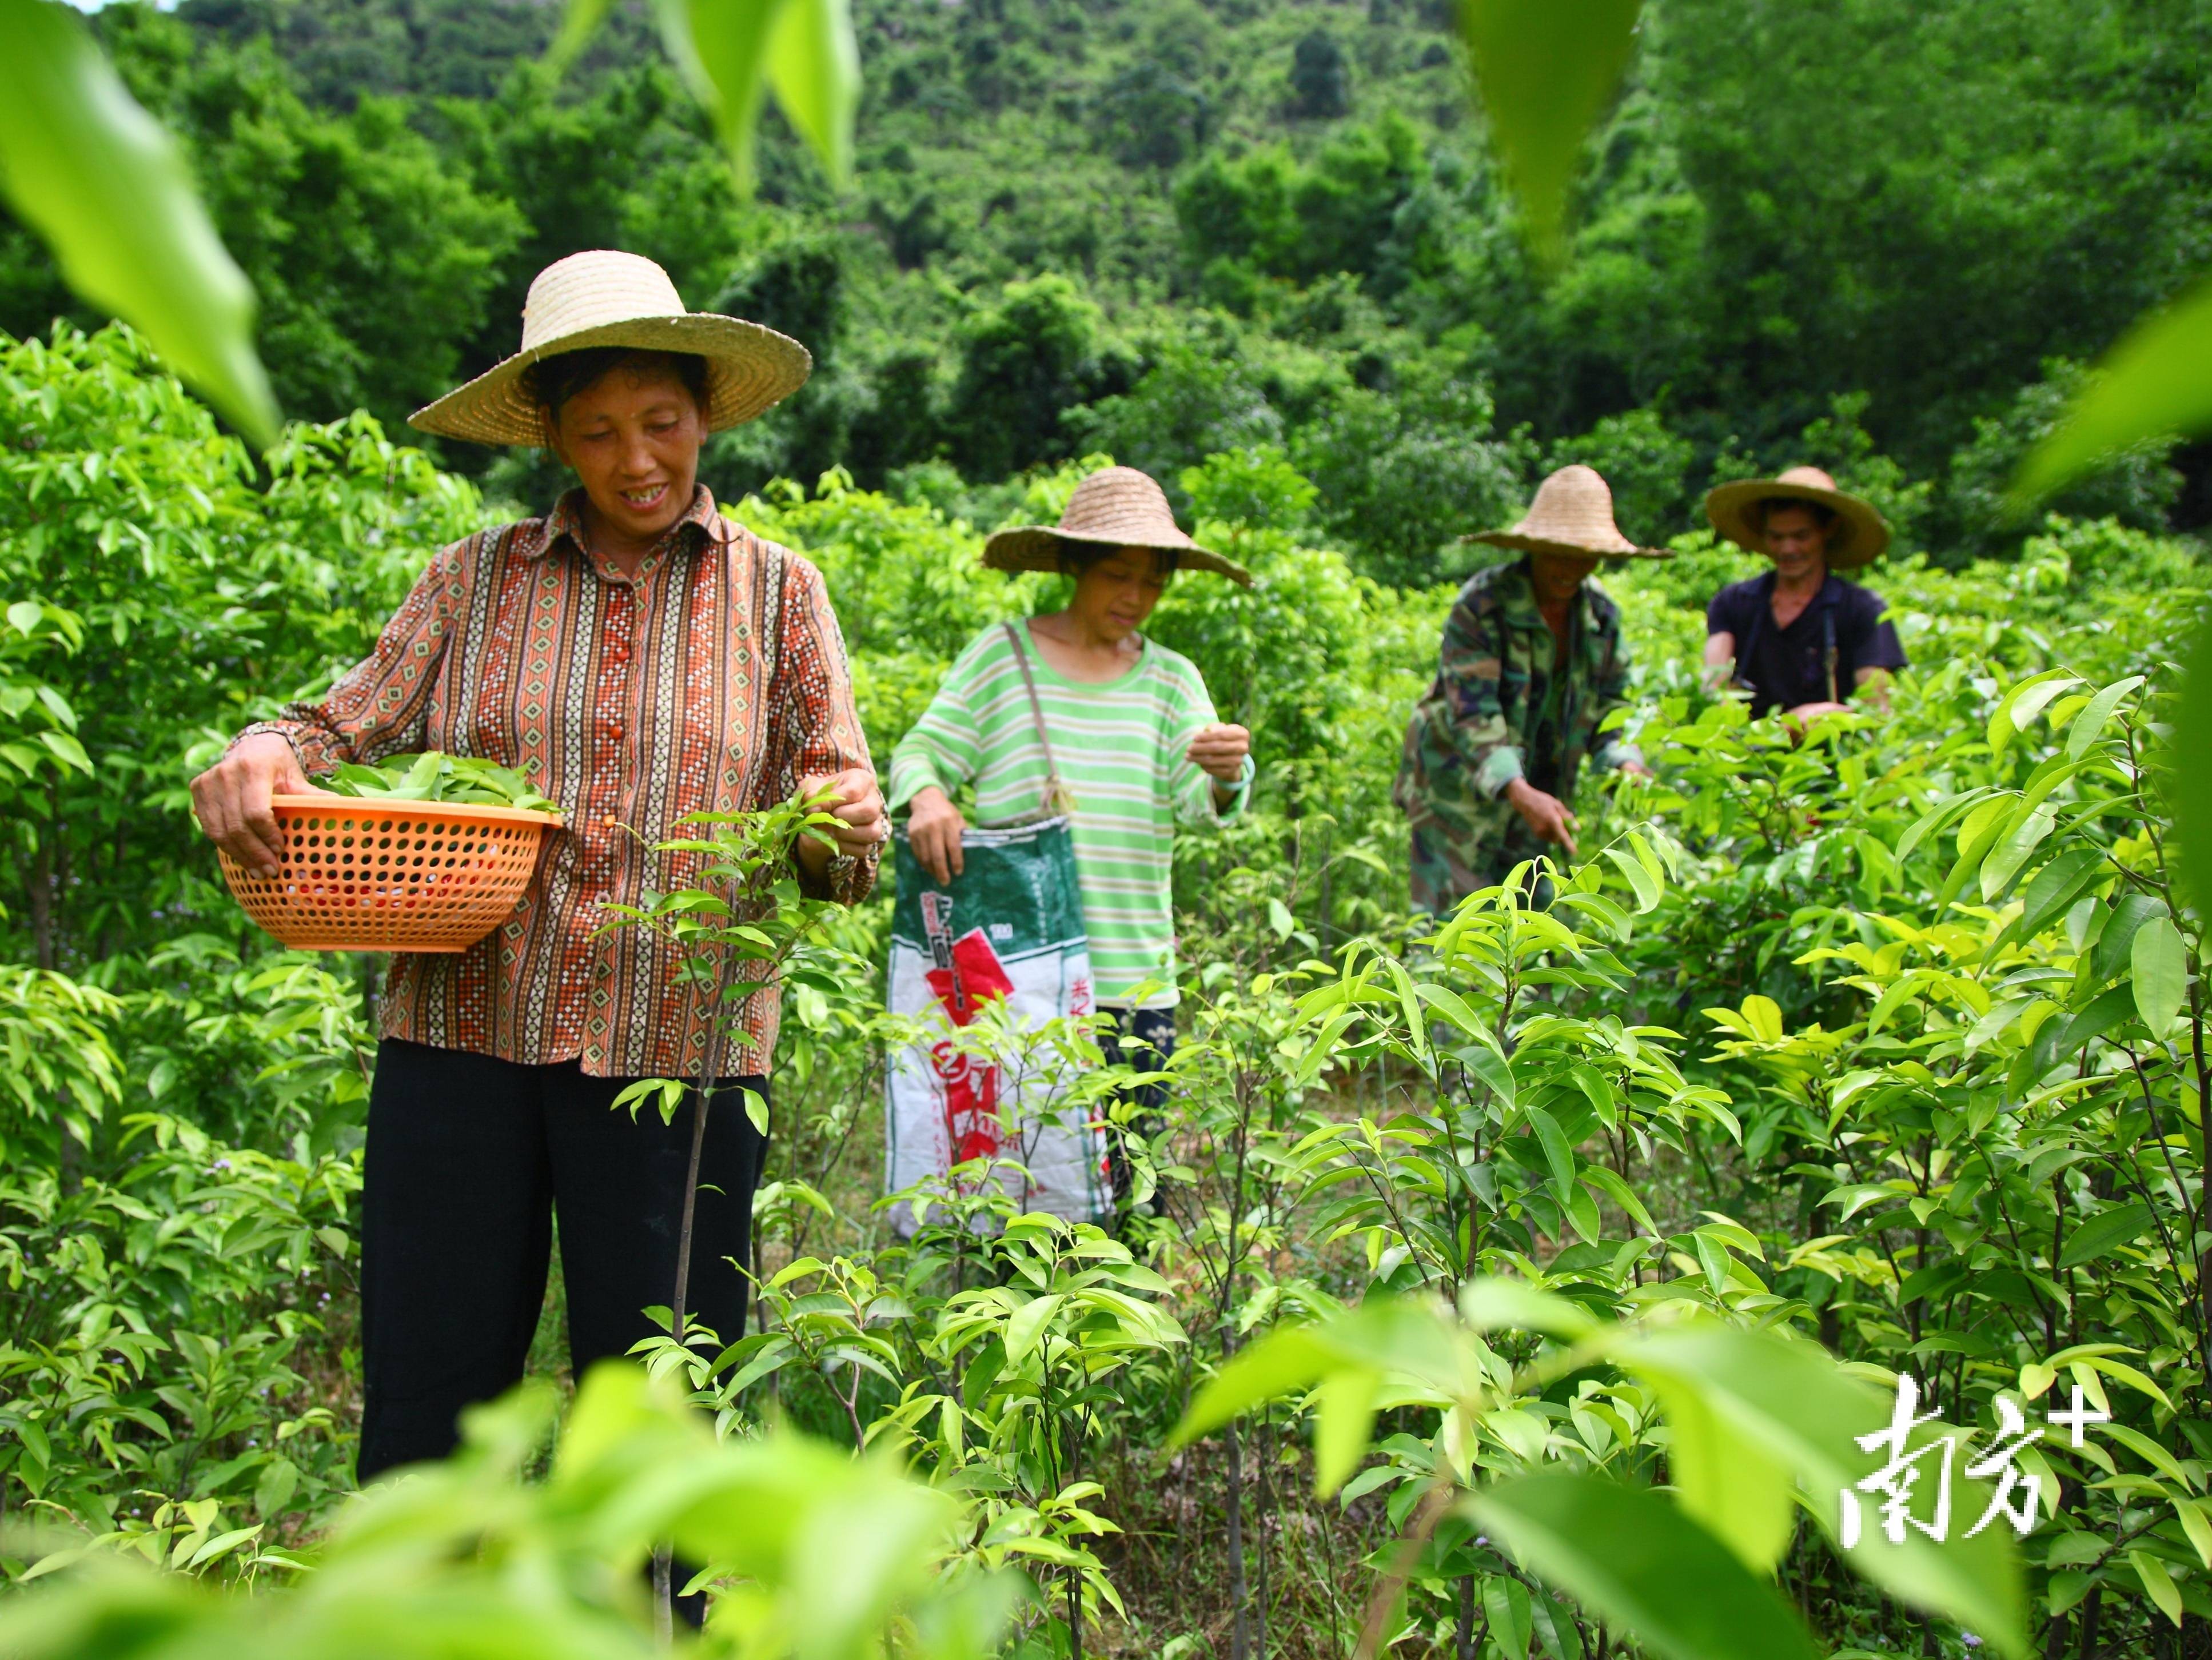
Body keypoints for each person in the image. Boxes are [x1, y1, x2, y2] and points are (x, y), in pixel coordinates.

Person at [189, 250, 887, 1482]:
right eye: (599, 430)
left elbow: (839, 832)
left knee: (663, 1401)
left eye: (661, 424)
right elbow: (328, 727)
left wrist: (838, 828)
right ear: (554, 438)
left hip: (684, 1052)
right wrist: (255, 753)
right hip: (461, 1038)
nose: (636, 461)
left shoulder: (779, 594)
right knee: (431, 1394)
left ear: (704, 416)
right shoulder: (474, 582)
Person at [889, 466, 1254, 1208]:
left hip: (1132, 985)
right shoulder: (1002, 658)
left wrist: (1226, 772)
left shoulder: (1171, 682)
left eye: (1152, 583)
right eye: (1118, 575)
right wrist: (928, 797)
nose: (1135, 597)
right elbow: (920, 754)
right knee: (1009, 1198)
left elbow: (1195, 801)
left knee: (1125, 1200)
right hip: (1018, 983)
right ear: (1073, 567)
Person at [1394, 465, 1664, 914]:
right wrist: (1518, 791)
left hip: (1543, 787)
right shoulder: (1482, 606)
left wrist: (1625, 761)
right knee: (1452, 932)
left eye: (1585, 555)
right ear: (1534, 549)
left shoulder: (1599, 618)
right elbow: (1471, 713)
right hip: (1456, 793)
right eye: (1558, 552)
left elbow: (1612, 708)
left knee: (1528, 930)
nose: (1570, 567)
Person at [1702, 465, 1906, 722]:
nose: (1788, 549)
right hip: (1750, 750)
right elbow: (1713, 684)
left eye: (1801, 536)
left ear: (1827, 531)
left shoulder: (1863, 609)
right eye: (1776, 537)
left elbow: (1875, 710)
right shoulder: (1733, 604)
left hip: (1833, 753)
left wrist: (1819, 717)